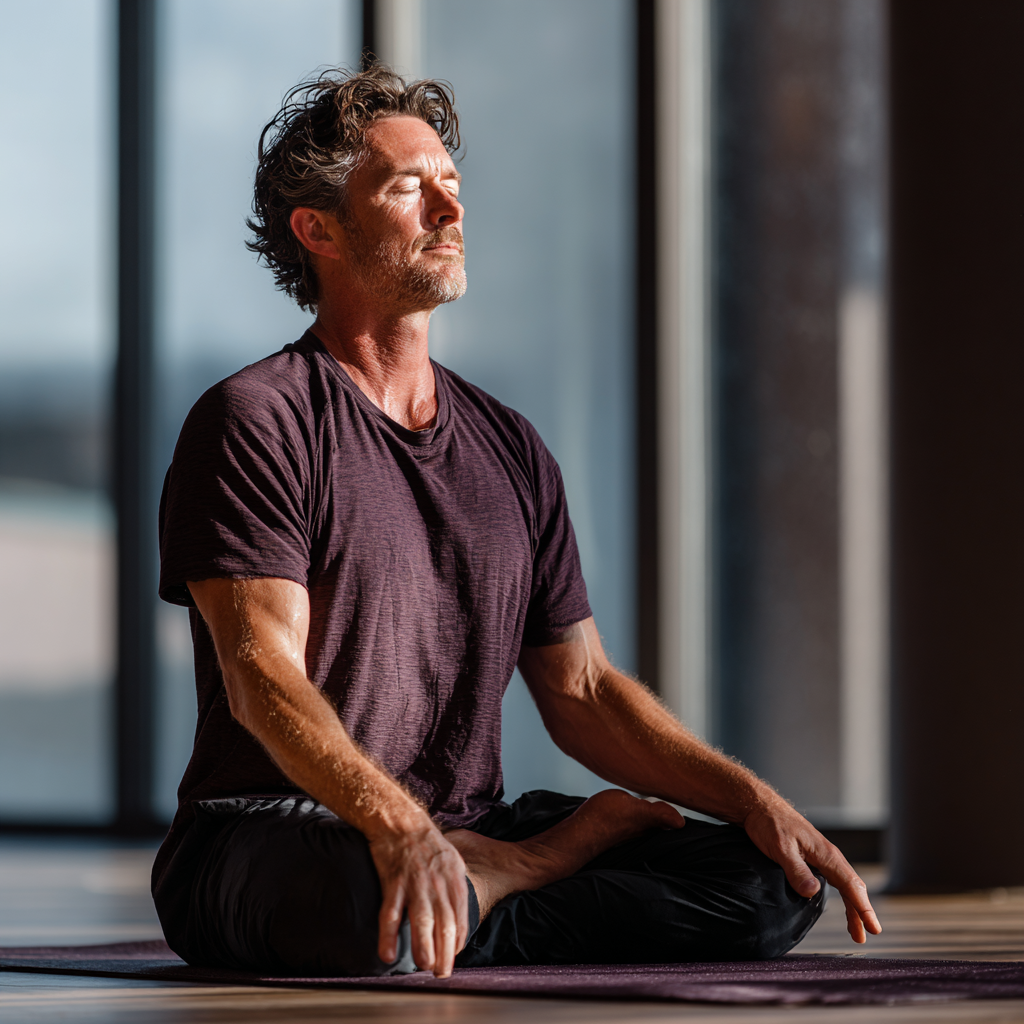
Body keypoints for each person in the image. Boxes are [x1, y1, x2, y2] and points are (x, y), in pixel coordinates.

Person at [152, 66, 881, 980]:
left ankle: (470, 892)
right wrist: (402, 829)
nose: (449, 210)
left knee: (771, 884)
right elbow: (262, 676)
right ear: (319, 230)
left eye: (452, 184)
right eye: (409, 188)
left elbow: (583, 690)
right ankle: (522, 870)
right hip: (270, 830)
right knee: (362, 900)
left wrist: (751, 799)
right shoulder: (257, 419)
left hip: (466, 823)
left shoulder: (510, 446)